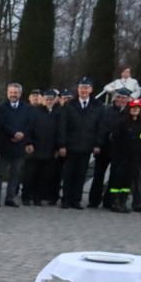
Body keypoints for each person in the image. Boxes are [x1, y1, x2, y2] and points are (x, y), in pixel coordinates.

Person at [58, 77, 104, 209]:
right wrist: (62, 145)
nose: (83, 90)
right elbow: (63, 125)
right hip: (70, 145)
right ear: (78, 89)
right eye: (81, 88)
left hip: (87, 145)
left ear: (91, 89)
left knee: (81, 174)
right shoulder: (69, 104)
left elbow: (100, 126)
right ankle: (66, 199)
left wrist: (97, 144)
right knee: (68, 174)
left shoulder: (97, 105)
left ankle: (76, 200)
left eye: (86, 87)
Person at [88, 87, 130, 209]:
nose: (120, 100)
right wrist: (97, 144)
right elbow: (100, 128)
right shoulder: (106, 111)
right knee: (98, 175)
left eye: (123, 98)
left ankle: (109, 201)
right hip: (104, 147)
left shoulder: (129, 113)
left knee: (114, 177)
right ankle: (94, 200)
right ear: (115, 98)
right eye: (118, 97)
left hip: (119, 151)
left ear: (128, 100)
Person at [0, 83, 34, 207]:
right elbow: (1, 123)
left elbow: (30, 124)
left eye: (16, 92)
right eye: (11, 92)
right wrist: (13, 133)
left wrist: (22, 134)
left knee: (15, 174)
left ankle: (10, 198)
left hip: (19, 146)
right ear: (7, 93)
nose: (13, 94)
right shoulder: (0, 107)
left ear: (20, 94)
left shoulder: (27, 108)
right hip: (5, 144)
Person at [23, 89, 62, 206]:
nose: (49, 101)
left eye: (51, 99)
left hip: (50, 149)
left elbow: (59, 132)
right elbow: (28, 129)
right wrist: (28, 143)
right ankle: (26, 196)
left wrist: (57, 148)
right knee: (30, 175)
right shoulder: (34, 112)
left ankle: (38, 198)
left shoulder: (57, 114)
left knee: (45, 176)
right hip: (35, 148)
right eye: (47, 99)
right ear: (42, 100)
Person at [107, 98, 141, 213]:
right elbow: (114, 140)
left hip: (134, 159)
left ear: (140, 110)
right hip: (121, 158)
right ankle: (114, 203)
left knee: (128, 181)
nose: (135, 110)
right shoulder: (121, 122)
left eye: (137, 108)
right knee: (117, 181)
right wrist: (116, 156)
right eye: (133, 108)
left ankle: (123, 202)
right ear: (129, 108)